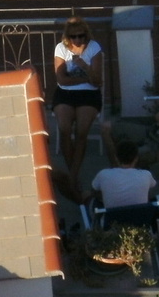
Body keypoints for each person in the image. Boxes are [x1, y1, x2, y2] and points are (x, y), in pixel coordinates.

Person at [52, 16, 103, 200]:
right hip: (65, 93)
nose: (78, 40)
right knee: (65, 129)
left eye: (81, 36)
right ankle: (74, 176)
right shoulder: (60, 49)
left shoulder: (94, 48)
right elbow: (61, 79)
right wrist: (84, 79)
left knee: (82, 132)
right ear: (68, 37)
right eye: (74, 37)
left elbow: (97, 81)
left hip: (89, 94)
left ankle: (72, 178)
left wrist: (85, 67)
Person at [90, 141, 155, 209]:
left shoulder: (103, 174)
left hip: (112, 218)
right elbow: (153, 189)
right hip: (139, 218)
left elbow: (94, 191)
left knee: (89, 197)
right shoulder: (146, 175)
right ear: (136, 158)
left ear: (116, 158)